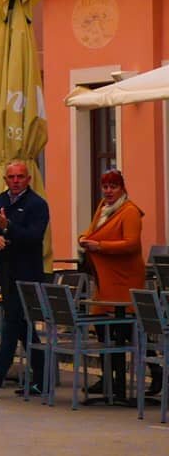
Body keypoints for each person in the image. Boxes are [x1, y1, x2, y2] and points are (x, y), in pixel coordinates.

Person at [0, 159, 49, 397]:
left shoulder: (37, 204)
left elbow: (34, 237)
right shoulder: (1, 199)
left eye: (20, 177)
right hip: (6, 271)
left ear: (28, 179)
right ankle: (43, 378)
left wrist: (9, 226)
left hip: (27, 275)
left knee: (12, 323)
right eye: (11, 177)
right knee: (23, 326)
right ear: (5, 180)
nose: (15, 181)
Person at [78, 168, 148, 402]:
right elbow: (92, 231)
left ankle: (155, 373)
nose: (108, 191)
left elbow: (131, 244)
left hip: (125, 279)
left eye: (113, 187)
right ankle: (109, 377)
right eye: (105, 186)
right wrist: (83, 239)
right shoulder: (103, 207)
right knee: (102, 326)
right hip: (105, 278)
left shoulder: (130, 212)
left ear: (122, 188)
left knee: (125, 330)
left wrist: (100, 246)